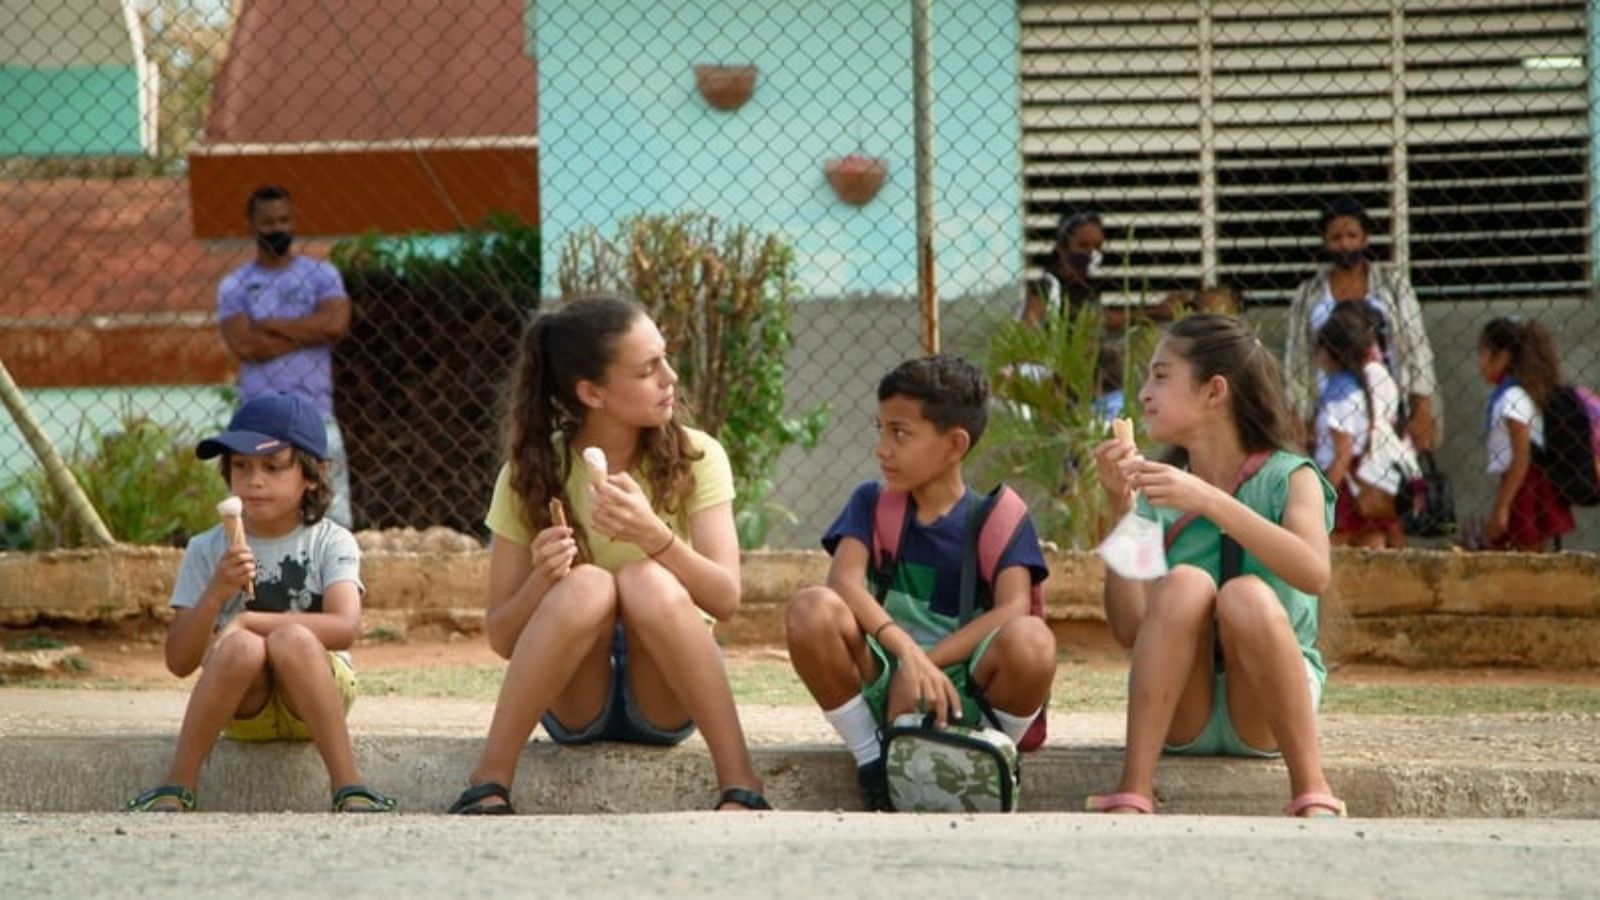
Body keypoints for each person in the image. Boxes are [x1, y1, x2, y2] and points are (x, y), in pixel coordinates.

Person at [448, 294, 768, 815]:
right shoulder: (531, 472)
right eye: (647, 370)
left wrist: (655, 537)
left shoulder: (698, 456)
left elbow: (726, 599)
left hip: (665, 695)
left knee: (648, 578)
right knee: (586, 584)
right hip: (577, 701)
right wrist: (542, 580)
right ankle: (489, 780)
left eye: (665, 359)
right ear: (592, 392)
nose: (670, 378)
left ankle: (741, 782)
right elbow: (504, 637)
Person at [1089, 314, 1343, 817]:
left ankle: (1311, 788)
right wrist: (1123, 509)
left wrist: (1208, 499)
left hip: (1268, 709)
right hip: (1184, 708)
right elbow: (1129, 628)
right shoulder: (1157, 491)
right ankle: (1134, 789)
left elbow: (1313, 572)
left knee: (1245, 595)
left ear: (1214, 391)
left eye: (1161, 376)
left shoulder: (1291, 477)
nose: (1143, 394)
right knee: (1184, 584)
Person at [784, 355, 1057, 811]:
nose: (882, 449)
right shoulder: (872, 503)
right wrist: (907, 656)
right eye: (881, 430)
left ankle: (988, 758)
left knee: (1034, 641)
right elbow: (844, 583)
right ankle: (873, 760)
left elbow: (1012, 610)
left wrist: (928, 664)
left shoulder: (1001, 518)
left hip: (966, 683)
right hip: (885, 673)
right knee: (811, 608)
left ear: (954, 445)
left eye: (900, 433)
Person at [126, 394, 394, 813]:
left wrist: (248, 621)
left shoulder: (330, 540)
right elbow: (179, 661)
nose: (254, 481)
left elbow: (345, 628)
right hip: (243, 705)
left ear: (311, 475)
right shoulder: (206, 549)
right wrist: (217, 592)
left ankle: (349, 785)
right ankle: (177, 784)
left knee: (292, 638)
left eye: (272, 467)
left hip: (313, 698)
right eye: (241, 466)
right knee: (240, 647)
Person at [218, 185, 353, 527]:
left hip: (316, 414)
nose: (277, 228)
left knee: (333, 516)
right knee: (258, 516)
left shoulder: (322, 275)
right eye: (268, 222)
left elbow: (336, 324)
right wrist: (309, 330)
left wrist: (272, 325)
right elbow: (246, 346)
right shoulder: (235, 285)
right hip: (258, 421)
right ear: (251, 226)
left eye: (284, 219)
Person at [1284, 197, 1440, 454]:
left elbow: (1416, 346)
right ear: (1325, 242)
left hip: (1388, 409)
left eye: (1351, 235)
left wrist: (1422, 406)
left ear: (1365, 239)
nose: (1344, 243)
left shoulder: (1393, 287)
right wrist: (1299, 415)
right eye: (1336, 237)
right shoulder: (1309, 295)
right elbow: (1297, 357)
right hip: (1331, 410)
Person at [1313, 304, 1415, 548]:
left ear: (1329, 353)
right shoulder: (1360, 387)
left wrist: (1322, 497)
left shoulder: (1339, 395)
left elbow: (1342, 453)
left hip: (1342, 483)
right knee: (1372, 544)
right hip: (1363, 477)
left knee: (1332, 547)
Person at [1477, 317, 1573, 551]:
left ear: (1501, 356)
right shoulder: (1512, 395)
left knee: (1527, 552)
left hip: (1528, 483)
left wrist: (1502, 506)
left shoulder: (1512, 399)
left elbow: (1522, 458)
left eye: (1482, 353)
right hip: (1522, 481)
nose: (1479, 363)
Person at [1022, 211, 1127, 329]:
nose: (1091, 252)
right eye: (1083, 245)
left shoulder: (1087, 286)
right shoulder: (1050, 286)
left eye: (1097, 246)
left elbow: (1103, 319)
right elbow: (1029, 326)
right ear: (1062, 248)